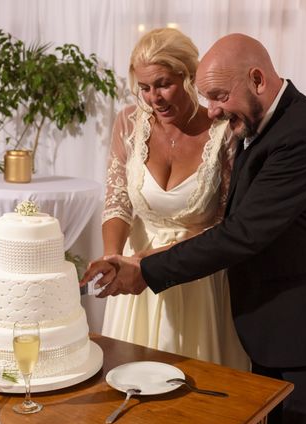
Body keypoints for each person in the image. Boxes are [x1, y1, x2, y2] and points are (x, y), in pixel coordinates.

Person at [85, 33, 306, 424]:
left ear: (257, 79)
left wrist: (147, 267)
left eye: (219, 96)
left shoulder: (301, 136)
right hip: (270, 319)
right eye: (208, 97)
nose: (213, 109)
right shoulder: (263, 123)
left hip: (305, 329)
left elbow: (240, 233)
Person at [85, 28, 248, 370]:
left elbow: (224, 223)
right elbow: (117, 200)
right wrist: (115, 257)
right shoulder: (128, 123)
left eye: (162, 84)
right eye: (144, 87)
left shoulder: (225, 132)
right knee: (129, 381)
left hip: (196, 278)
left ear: (189, 76)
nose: (153, 97)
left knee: (192, 390)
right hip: (135, 283)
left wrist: (149, 262)